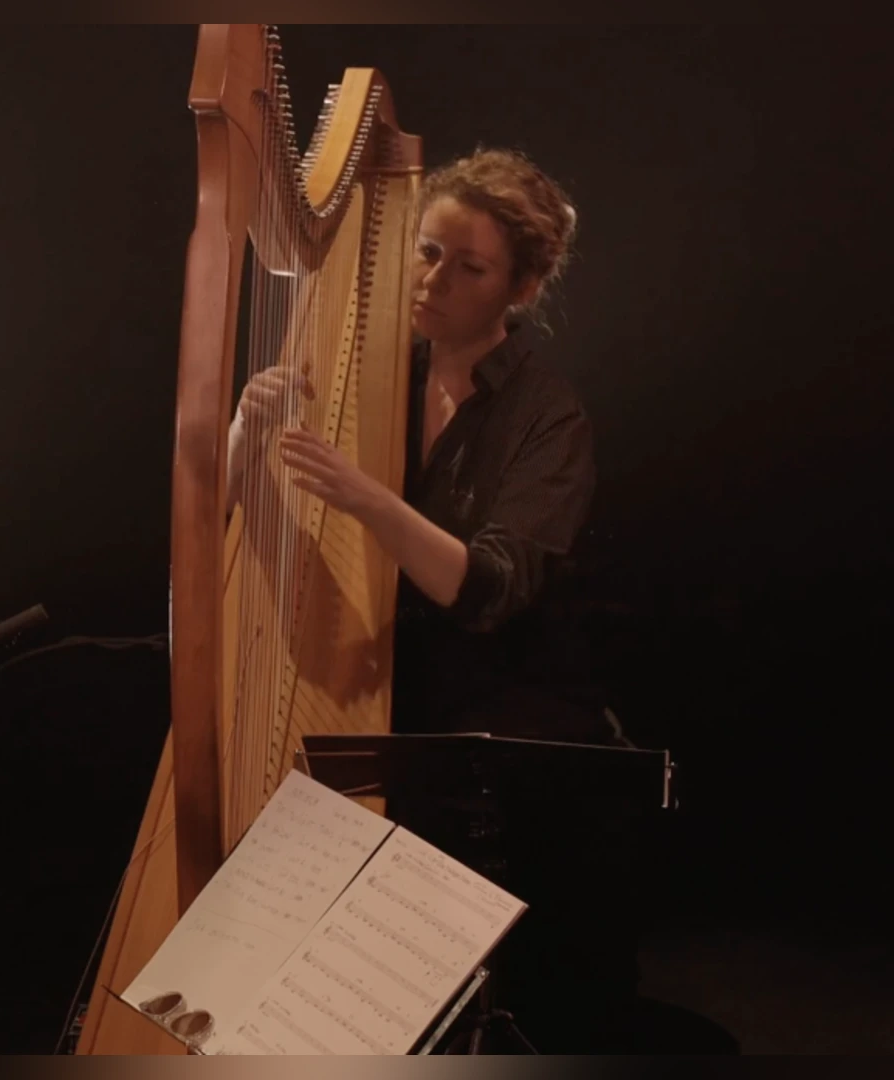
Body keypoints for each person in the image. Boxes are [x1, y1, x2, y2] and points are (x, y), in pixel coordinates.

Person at [225, 148, 645, 1051]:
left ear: (522, 289)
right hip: (388, 697)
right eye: (426, 252)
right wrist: (242, 436)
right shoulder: (369, 372)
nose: (433, 281)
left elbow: (485, 590)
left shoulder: (548, 416)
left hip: (505, 716)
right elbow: (235, 514)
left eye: (469, 267)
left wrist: (368, 498)